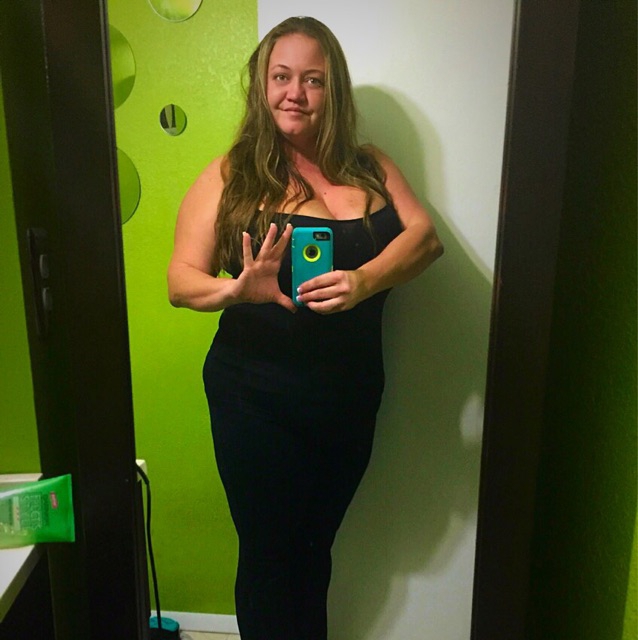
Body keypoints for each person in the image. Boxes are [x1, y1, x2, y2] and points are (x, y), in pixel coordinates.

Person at [167, 16, 443, 640]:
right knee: (270, 557)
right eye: (281, 77)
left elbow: (426, 241)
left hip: (348, 397)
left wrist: (364, 281)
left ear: (332, 88)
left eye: (312, 80)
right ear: (262, 86)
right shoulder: (233, 173)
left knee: (314, 549)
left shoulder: (370, 166)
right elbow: (180, 282)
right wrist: (235, 290)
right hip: (255, 398)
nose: (295, 93)